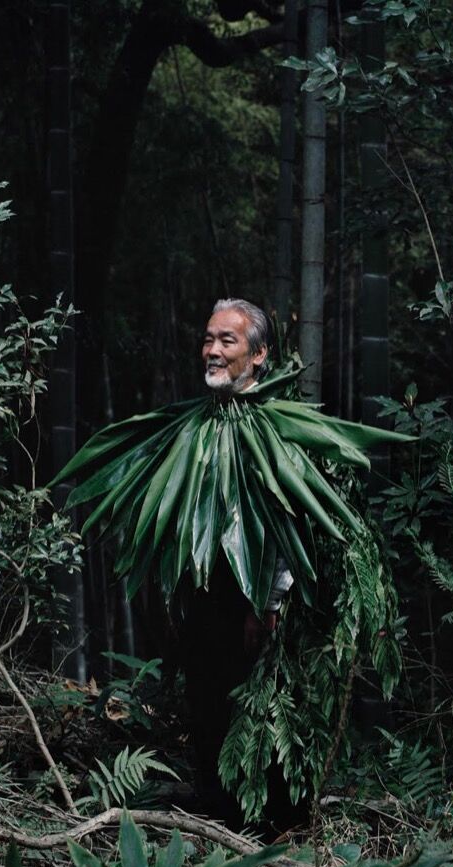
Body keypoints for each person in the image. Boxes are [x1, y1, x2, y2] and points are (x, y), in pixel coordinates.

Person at [176, 298, 298, 827]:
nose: (214, 350)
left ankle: (268, 826)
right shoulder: (193, 426)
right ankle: (216, 823)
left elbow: (289, 521)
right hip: (203, 592)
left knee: (257, 706)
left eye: (228, 340)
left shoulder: (276, 427)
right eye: (209, 338)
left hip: (252, 599)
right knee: (205, 702)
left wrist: (268, 602)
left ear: (259, 354)